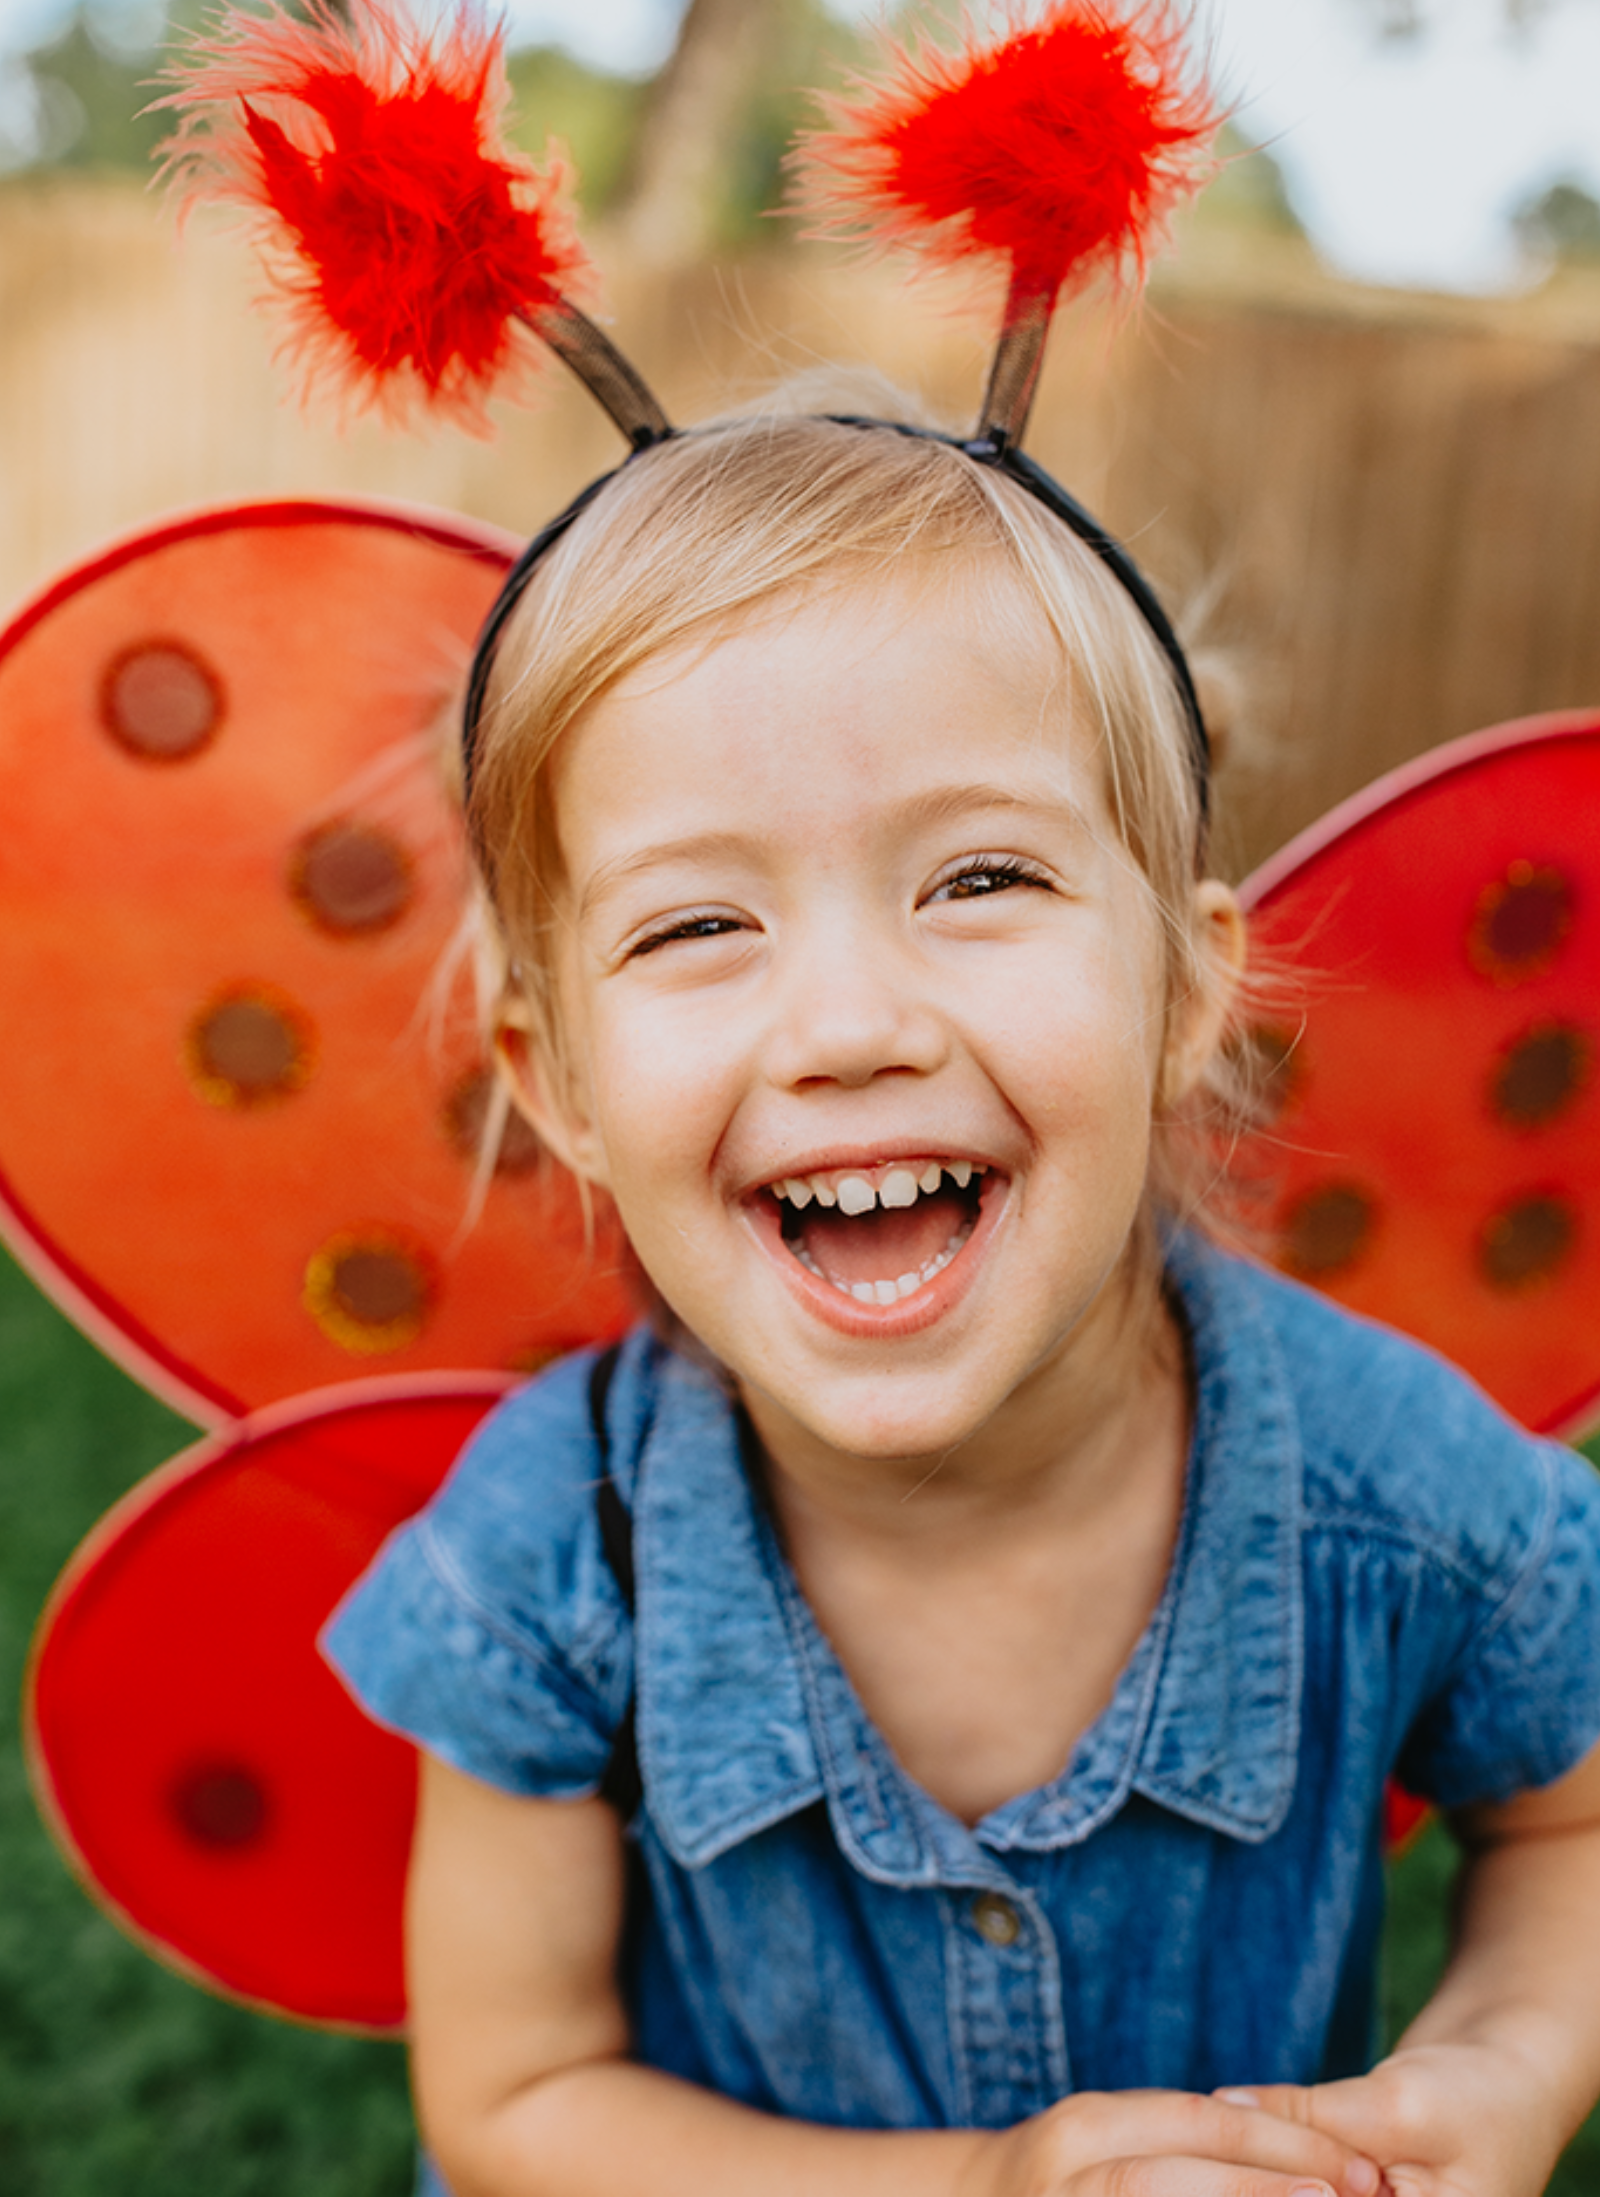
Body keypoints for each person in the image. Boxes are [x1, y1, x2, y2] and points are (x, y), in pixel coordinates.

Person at [323, 402, 1600, 2197]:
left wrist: (1506, 2072)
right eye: (696, 925)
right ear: (566, 1089)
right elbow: (517, 2103)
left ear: (1179, 989)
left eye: (981, 879)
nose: (852, 1026)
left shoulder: (1400, 1495)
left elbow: (1576, 1818)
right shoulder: (556, 1554)